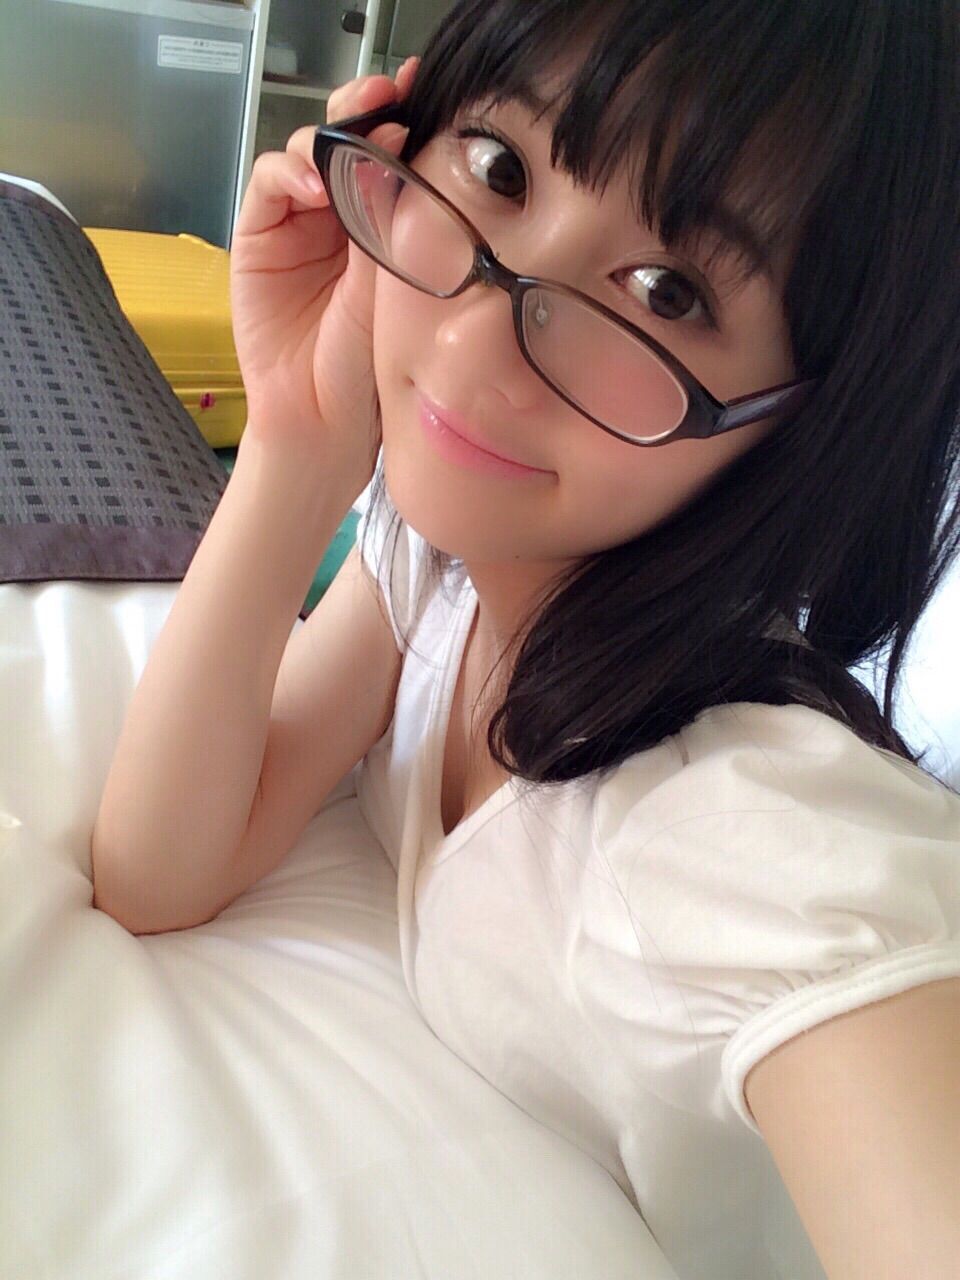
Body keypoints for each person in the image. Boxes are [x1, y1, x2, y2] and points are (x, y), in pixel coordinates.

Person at [91, 2, 960, 1276]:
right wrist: (296, 439)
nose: (476, 338)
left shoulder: (753, 836)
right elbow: (159, 869)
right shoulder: (444, 564)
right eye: (499, 167)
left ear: (803, 424)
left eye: (667, 292)